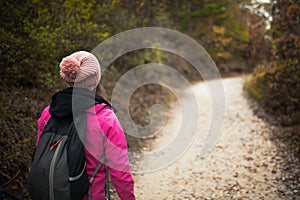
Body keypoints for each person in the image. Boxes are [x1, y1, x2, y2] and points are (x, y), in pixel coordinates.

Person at [35, 51, 136, 200]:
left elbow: (40, 154)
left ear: (68, 78)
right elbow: (119, 172)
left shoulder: (48, 113)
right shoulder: (105, 118)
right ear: (95, 79)